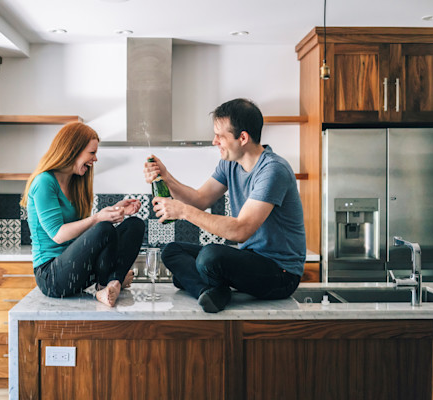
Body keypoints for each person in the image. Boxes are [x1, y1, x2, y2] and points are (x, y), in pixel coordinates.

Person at [143, 98, 306, 312]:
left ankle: (204, 285)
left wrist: (182, 210)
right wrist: (167, 177)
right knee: (172, 251)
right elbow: (201, 199)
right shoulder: (230, 164)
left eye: (220, 136)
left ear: (243, 138)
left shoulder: (273, 170)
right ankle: (209, 292)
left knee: (210, 257)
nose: (214, 141)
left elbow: (241, 230)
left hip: (281, 274)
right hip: (251, 260)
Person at [21, 122, 144, 307]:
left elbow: (85, 235)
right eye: (92, 153)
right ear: (73, 150)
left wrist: (116, 210)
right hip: (52, 277)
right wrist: (98, 218)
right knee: (103, 227)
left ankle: (111, 283)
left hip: (78, 270)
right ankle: (111, 281)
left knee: (135, 224)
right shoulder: (44, 182)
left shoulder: (76, 183)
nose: (95, 159)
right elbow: (58, 235)